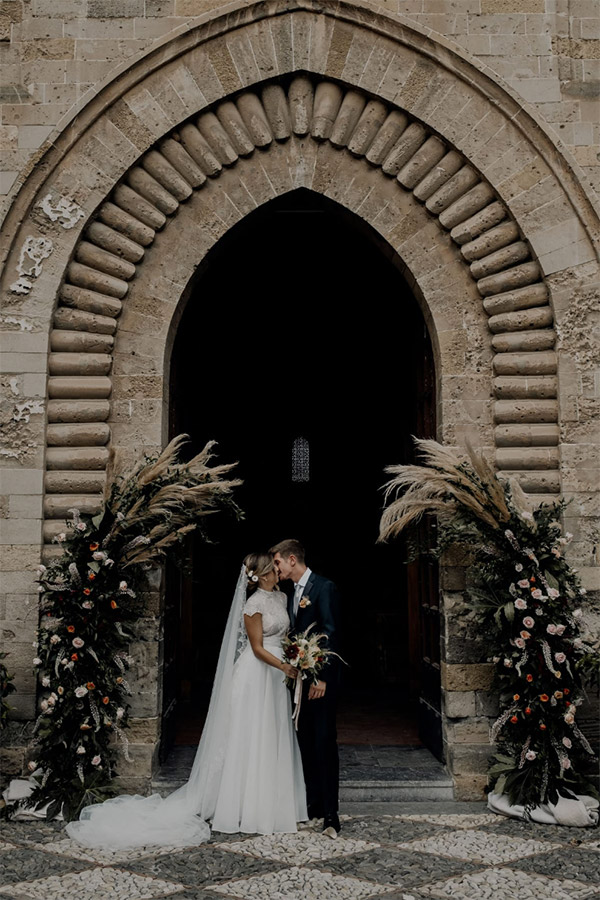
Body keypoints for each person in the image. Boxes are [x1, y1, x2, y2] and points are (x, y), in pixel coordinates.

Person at [65, 553, 307, 848]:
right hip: (258, 674)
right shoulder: (253, 604)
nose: (279, 571)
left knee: (271, 733)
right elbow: (256, 648)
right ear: (264, 574)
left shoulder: (281, 599)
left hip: (277, 675)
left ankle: (272, 801)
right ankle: (243, 804)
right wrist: (283, 665)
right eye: (274, 567)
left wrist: (296, 655)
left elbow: (284, 636)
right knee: (250, 734)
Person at [270, 539, 341, 837]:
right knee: (305, 742)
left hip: (319, 683)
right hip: (299, 681)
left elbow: (329, 631)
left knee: (324, 741)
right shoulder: (289, 594)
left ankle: (331, 815)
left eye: (277, 563)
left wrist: (321, 677)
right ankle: (312, 803)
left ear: (291, 560)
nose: (276, 569)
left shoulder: (324, 588)